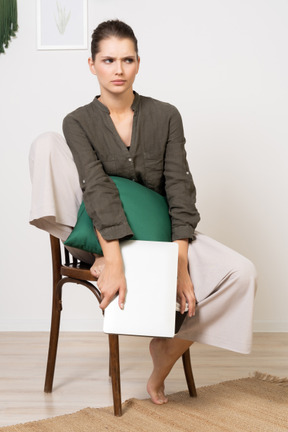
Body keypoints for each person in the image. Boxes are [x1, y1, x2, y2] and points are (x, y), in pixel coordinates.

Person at [29, 20, 257, 406]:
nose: (118, 70)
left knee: (241, 273)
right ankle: (100, 252)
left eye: (127, 59)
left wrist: (181, 260)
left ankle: (165, 352)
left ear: (138, 63)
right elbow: (96, 187)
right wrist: (111, 257)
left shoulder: (166, 115)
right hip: (100, 236)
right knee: (45, 144)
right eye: (108, 60)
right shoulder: (78, 122)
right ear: (92, 65)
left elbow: (180, 188)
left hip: (159, 236)